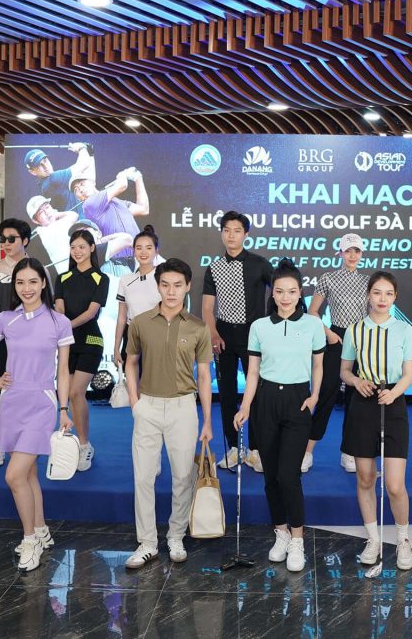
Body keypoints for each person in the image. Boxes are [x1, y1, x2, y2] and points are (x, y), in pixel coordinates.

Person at [0, 257, 73, 572]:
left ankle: (30, 540)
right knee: (29, 473)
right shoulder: (5, 319)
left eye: (33, 281)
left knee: (14, 475)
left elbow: (63, 370)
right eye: (20, 282)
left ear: (44, 283)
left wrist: (64, 408)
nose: (27, 288)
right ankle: (41, 529)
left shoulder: (59, 322)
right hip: (12, 403)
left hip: (42, 403)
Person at [233, 259, 325, 573]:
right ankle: (281, 533)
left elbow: (318, 365)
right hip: (265, 401)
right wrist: (246, 406)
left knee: (289, 475)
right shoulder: (259, 327)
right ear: (272, 293)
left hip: (298, 401)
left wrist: (314, 396)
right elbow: (253, 372)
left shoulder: (312, 325)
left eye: (292, 291)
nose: (286, 297)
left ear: (300, 294)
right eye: (280, 291)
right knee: (270, 476)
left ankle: (297, 540)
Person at [123, 259, 213, 567]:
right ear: (158, 286)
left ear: (188, 287)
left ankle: (176, 535)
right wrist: (135, 402)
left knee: (182, 476)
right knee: (143, 477)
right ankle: (147, 542)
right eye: (165, 285)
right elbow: (131, 362)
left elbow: (204, 376)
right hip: (147, 406)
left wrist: (207, 420)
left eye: (177, 285)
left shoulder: (198, 327)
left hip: (183, 407)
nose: (171, 291)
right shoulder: (141, 322)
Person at [339, 271, 412, 570]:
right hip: (363, 404)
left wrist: (394, 392)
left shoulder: (404, 330)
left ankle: (403, 540)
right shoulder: (354, 330)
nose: (382, 299)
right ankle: (373, 539)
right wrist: (356, 381)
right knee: (365, 478)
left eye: (388, 293)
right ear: (368, 295)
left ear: (394, 297)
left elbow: (408, 374)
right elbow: (344, 371)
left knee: (395, 485)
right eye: (377, 292)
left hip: (393, 403)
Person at [202, 211, 273, 472]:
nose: (231, 235)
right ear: (221, 233)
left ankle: (256, 450)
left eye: (237, 231)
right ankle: (234, 448)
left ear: (246, 234)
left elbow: (280, 292)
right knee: (227, 393)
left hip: (253, 336)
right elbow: (207, 307)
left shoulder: (260, 264)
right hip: (224, 336)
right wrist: (213, 333)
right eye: (226, 230)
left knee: (256, 395)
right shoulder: (214, 267)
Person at [306, 233, 370, 473]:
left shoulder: (368, 281)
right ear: (340, 253)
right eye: (348, 251)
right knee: (326, 395)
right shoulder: (328, 278)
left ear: (361, 254)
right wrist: (328, 333)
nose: (352, 255)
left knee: (356, 400)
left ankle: (349, 453)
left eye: (357, 251)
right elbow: (313, 311)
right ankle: (307, 452)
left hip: (361, 340)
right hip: (336, 338)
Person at [55, 230, 110, 472]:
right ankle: (75, 443)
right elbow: (59, 309)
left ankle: (85, 445)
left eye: (81, 247)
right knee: (68, 394)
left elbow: (91, 313)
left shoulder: (101, 278)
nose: (77, 251)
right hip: (67, 343)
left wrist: (66, 326)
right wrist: (61, 328)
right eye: (73, 247)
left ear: (91, 248)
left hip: (91, 340)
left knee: (77, 392)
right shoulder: (62, 277)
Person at [0, 218, 32, 467]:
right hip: (2, 338)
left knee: (29, 390)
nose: (6, 243)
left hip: (32, 339)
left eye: (12, 239)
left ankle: (25, 443)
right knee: (0, 388)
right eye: (2, 239)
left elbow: (48, 306)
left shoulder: (37, 269)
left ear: (25, 240)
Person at [72, 167, 150, 261]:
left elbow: (143, 209)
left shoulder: (119, 203)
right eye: (76, 189)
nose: (80, 189)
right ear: (78, 198)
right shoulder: (89, 204)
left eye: (82, 184)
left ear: (93, 182)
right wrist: (122, 174)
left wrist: (138, 178)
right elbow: (122, 185)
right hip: (119, 262)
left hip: (137, 259)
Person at [113, 227, 161, 370]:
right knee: (133, 380)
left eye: (148, 248)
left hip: (158, 336)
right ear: (133, 251)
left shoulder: (164, 278)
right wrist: (116, 347)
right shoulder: (125, 280)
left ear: (156, 251)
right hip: (132, 337)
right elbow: (122, 317)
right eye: (139, 248)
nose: (143, 252)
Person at [25, 143, 94, 214]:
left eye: (45, 160)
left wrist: (90, 154)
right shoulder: (51, 180)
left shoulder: (47, 183)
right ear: (32, 172)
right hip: (79, 220)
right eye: (39, 165)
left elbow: (90, 178)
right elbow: (84, 164)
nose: (45, 166)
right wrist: (82, 147)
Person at [26, 196, 78, 273]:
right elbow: (74, 215)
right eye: (41, 213)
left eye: (47, 207)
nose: (47, 213)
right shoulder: (43, 231)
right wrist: (57, 214)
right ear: (35, 221)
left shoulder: (54, 225)